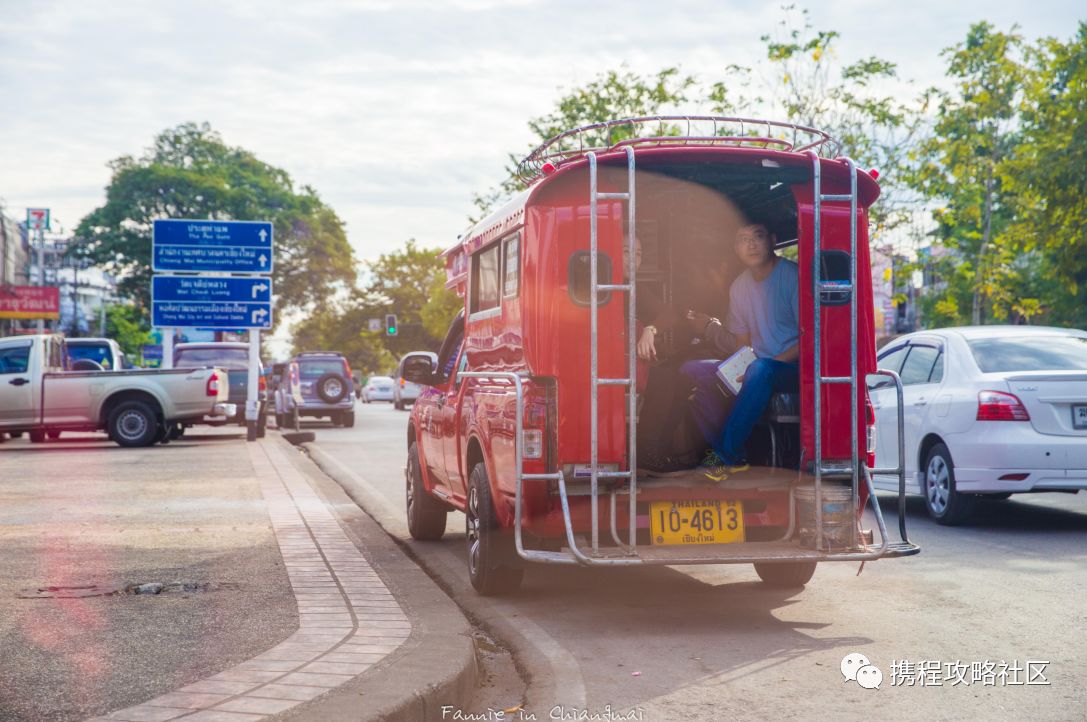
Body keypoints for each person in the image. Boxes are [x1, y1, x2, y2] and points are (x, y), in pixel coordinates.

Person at [680, 222, 799, 481]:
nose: (752, 244)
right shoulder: (739, 287)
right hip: (759, 365)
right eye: (743, 239)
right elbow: (743, 345)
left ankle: (724, 457)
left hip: (792, 368)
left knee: (759, 369)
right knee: (692, 370)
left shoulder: (792, 277)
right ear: (736, 249)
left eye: (758, 236)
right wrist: (733, 369)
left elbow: (809, 339)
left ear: (773, 240)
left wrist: (761, 367)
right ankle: (739, 454)